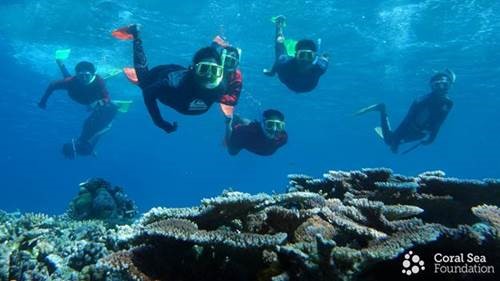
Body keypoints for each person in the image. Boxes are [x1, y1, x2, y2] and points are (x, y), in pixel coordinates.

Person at [112, 24, 227, 133]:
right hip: (160, 74)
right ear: (194, 69)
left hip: (182, 73)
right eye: (203, 69)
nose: (208, 75)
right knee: (144, 82)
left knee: (209, 58)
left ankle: (214, 46)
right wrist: (159, 121)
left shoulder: (221, 86)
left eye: (214, 70)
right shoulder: (173, 83)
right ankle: (135, 34)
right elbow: (148, 93)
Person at [354, 69, 456, 154]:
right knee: (390, 141)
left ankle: (393, 137)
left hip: (421, 134)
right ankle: (381, 108)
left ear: (449, 86)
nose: (441, 89)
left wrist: (432, 138)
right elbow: (407, 120)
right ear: (432, 86)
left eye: (445, 85)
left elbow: (439, 123)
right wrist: (396, 142)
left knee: (393, 142)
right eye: (438, 85)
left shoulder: (449, 103)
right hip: (410, 129)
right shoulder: (420, 102)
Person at [39, 60, 118, 159]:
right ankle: (60, 63)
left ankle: (106, 76)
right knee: (68, 80)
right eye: (81, 75)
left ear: (92, 74)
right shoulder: (71, 81)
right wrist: (43, 101)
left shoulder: (98, 81)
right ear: (77, 74)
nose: (84, 78)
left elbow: (107, 98)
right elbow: (52, 85)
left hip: (91, 98)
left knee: (99, 92)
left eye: (87, 75)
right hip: (77, 94)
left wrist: (98, 103)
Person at [263, 15, 328, 93]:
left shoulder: (321, 66)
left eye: (309, 56)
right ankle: (279, 24)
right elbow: (278, 46)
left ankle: (279, 24)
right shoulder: (284, 64)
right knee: (280, 50)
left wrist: (272, 72)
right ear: (296, 56)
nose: (305, 60)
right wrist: (272, 72)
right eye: (302, 55)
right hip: (290, 82)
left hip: (307, 87)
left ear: (314, 57)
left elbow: (325, 59)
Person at [211, 36, 243, 117]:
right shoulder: (213, 63)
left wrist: (215, 96)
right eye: (226, 60)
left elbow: (234, 100)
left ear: (236, 64)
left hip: (222, 91)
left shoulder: (237, 75)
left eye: (232, 62)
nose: (227, 65)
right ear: (221, 58)